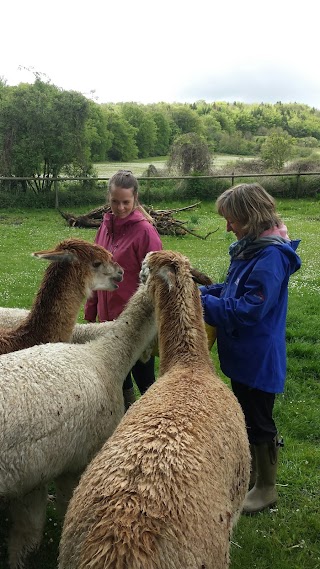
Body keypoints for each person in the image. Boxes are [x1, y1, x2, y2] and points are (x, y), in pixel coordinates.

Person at [200, 183, 301, 514]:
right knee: (246, 414)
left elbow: (248, 309)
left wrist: (199, 303)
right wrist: (200, 290)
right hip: (243, 355)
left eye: (232, 220)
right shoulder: (250, 248)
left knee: (259, 420)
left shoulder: (271, 256)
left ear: (252, 216)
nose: (227, 226)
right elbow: (232, 290)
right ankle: (253, 475)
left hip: (258, 357)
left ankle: (267, 489)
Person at [84, 170, 162, 409]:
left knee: (144, 376)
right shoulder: (105, 228)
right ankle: (125, 414)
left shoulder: (146, 232)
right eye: (115, 201)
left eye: (126, 202)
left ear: (135, 199)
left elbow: (156, 279)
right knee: (117, 374)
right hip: (108, 318)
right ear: (109, 198)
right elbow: (95, 271)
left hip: (135, 319)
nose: (120, 207)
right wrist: (91, 311)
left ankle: (154, 417)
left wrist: (150, 317)